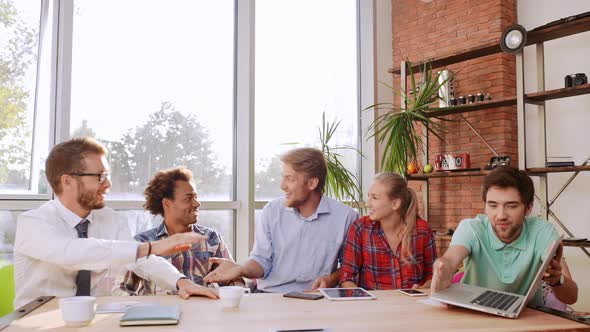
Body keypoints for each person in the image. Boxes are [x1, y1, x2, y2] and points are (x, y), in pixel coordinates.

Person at [14, 137, 213, 308]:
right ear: (67, 181)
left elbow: (138, 258)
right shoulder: (33, 223)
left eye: (107, 176)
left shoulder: (109, 219)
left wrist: (180, 281)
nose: (108, 184)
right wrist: (152, 247)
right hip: (38, 320)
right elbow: (72, 252)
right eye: (100, 177)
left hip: (93, 318)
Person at [203, 148, 358, 292]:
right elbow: (261, 261)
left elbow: (350, 267)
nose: (282, 185)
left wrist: (331, 279)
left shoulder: (346, 217)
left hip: (317, 299)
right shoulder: (272, 211)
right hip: (270, 295)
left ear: (312, 183)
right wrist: (240, 269)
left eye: (289, 178)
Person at [430, 166, 578, 306]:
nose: (501, 216)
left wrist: (557, 280)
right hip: (476, 315)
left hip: (527, 318)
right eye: (493, 205)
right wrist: (443, 266)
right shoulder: (472, 228)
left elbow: (572, 297)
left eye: (512, 206)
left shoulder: (542, 231)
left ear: (529, 208)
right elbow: (450, 259)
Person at [121, 167, 239, 295]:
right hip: (159, 314)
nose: (197, 203)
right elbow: (121, 289)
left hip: (202, 312)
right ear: (167, 203)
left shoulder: (211, 238)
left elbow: (233, 281)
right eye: (188, 199)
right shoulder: (144, 243)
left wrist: (236, 286)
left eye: (196, 197)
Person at [340, 173, 437, 290]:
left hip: (412, 305)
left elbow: (433, 276)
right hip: (373, 306)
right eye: (369, 196)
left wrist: (425, 287)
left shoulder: (423, 230)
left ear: (395, 204)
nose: (368, 203)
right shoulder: (360, 229)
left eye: (374, 198)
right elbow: (347, 278)